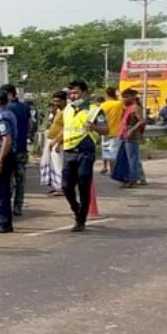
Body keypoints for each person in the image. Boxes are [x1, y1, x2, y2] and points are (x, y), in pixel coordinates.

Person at [57, 80, 108, 232]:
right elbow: (65, 128)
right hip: (68, 151)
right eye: (71, 93)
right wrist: (56, 141)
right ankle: (76, 208)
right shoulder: (67, 110)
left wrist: (95, 127)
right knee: (66, 186)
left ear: (85, 93)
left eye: (76, 92)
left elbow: (106, 129)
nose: (73, 96)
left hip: (85, 152)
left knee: (83, 184)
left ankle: (81, 220)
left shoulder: (94, 110)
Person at [0, 89, 18, 233]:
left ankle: (6, 223)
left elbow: (6, 139)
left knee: (1, 190)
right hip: (4, 154)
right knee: (0, 189)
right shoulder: (5, 114)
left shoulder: (2, 117)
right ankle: (2, 219)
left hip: (3, 155)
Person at [1, 84, 31, 216]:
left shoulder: (6, 109)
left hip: (9, 149)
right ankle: (18, 206)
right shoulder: (25, 107)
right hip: (22, 147)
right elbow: (30, 125)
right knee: (20, 179)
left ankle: (5, 207)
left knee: (6, 179)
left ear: (8, 94)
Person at [111, 89, 145, 188]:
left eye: (126, 97)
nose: (124, 99)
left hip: (132, 135)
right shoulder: (127, 108)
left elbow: (141, 121)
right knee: (124, 158)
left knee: (132, 159)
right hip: (125, 134)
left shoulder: (135, 107)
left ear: (132, 97)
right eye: (123, 97)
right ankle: (127, 178)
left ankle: (133, 179)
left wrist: (132, 130)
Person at [40, 91, 67, 196]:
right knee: (53, 166)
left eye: (58, 101)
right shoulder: (59, 111)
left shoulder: (66, 112)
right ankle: (56, 186)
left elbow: (66, 128)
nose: (55, 103)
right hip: (52, 141)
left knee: (59, 165)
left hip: (58, 142)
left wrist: (58, 141)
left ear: (64, 100)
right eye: (54, 101)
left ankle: (61, 188)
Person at [98, 87, 124, 175]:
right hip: (116, 131)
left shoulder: (102, 105)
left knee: (106, 150)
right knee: (114, 153)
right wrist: (118, 95)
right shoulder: (119, 104)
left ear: (106, 94)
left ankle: (106, 167)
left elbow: (100, 118)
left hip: (105, 131)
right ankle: (113, 171)